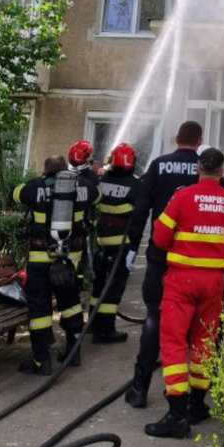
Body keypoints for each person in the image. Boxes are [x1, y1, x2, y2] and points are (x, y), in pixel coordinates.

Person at [122, 120, 224, 408]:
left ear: (176, 138)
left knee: (155, 321)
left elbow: (140, 210)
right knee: (203, 333)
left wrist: (132, 247)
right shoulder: (211, 174)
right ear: (200, 141)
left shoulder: (159, 166)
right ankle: (197, 400)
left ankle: (139, 388)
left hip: (162, 260)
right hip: (203, 267)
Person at [144, 147, 224, 439]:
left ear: (197, 169)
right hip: (213, 283)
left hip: (181, 281)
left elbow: (159, 238)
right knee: (205, 341)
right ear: (222, 170)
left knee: (174, 342)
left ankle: (176, 415)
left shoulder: (182, 196)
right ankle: (197, 405)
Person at [13, 154, 98, 374]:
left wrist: (38, 183)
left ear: (46, 170)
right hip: (70, 259)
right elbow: (98, 197)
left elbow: (15, 194)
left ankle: (42, 361)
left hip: (40, 259)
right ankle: (73, 352)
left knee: (40, 310)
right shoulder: (84, 187)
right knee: (70, 304)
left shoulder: (35, 187)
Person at [86, 141, 138, 344]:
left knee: (98, 284)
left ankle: (92, 323)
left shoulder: (102, 179)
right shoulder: (135, 186)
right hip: (121, 245)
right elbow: (139, 216)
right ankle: (105, 331)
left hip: (101, 242)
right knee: (113, 287)